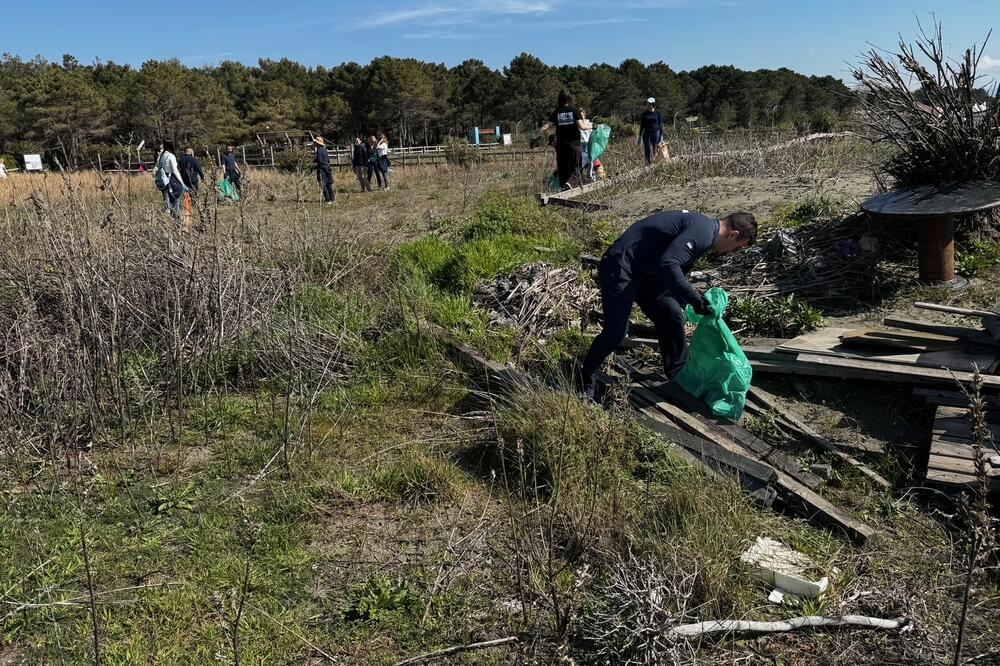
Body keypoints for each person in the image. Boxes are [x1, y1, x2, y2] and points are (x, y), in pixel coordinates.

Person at [579, 210, 757, 393]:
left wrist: (684, 301)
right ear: (733, 235)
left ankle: (679, 374)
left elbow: (673, 269)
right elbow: (669, 264)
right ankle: (586, 379)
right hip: (621, 267)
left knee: (671, 314)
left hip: (647, 273)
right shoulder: (703, 232)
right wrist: (695, 300)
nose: (731, 252)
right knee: (615, 333)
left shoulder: (705, 231)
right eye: (736, 248)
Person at [540, 89, 592, 189]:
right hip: (573, 145)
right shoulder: (574, 111)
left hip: (561, 145)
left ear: (559, 99)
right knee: (576, 166)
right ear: (570, 98)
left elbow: (546, 126)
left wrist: (542, 132)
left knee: (563, 168)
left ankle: (563, 188)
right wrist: (594, 126)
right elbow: (582, 127)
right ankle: (571, 183)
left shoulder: (556, 112)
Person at [155, 139, 187, 220]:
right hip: (173, 179)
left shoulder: (161, 155)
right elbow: (175, 170)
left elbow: (157, 166)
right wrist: (182, 183)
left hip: (164, 180)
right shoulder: (171, 156)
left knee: (170, 199)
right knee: (177, 200)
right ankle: (177, 220)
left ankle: (173, 217)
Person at [639, 97, 664, 165]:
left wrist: (661, 136)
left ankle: (655, 162)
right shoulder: (644, 114)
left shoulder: (657, 113)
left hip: (656, 132)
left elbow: (660, 124)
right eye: (647, 104)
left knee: (655, 147)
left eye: (649, 104)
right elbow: (642, 125)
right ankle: (647, 163)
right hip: (647, 133)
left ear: (653, 104)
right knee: (647, 148)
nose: (648, 105)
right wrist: (640, 136)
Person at [314, 136, 335, 204]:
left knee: (323, 184)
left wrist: (314, 163)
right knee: (328, 184)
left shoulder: (319, 150)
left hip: (321, 169)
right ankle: (332, 198)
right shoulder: (325, 150)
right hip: (327, 168)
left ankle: (327, 199)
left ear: (318, 143)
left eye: (315, 143)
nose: (315, 144)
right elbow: (328, 160)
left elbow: (320, 160)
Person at [579, 109, 595, 183]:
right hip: (580, 143)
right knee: (583, 160)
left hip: (587, 142)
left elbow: (592, 133)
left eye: (582, 113)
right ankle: (583, 178)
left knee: (590, 160)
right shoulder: (578, 122)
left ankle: (590, 176)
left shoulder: (589, 123)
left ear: (584, 114)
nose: (580, 114)